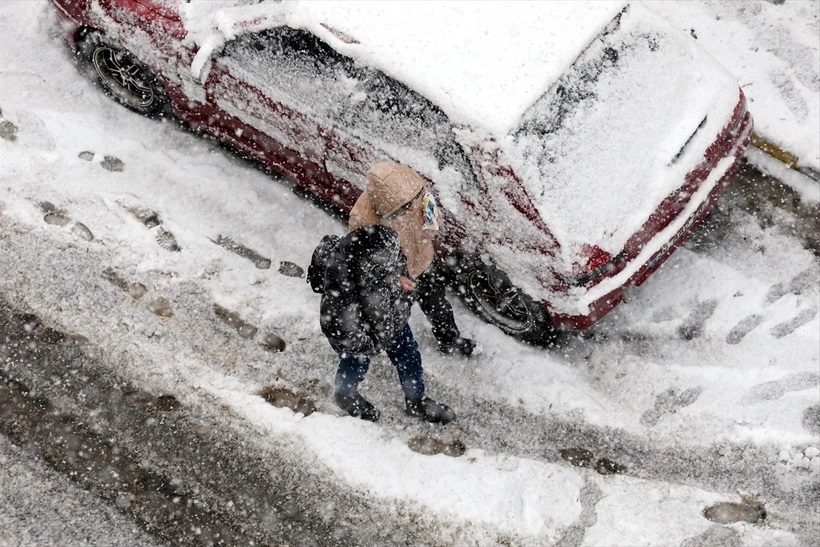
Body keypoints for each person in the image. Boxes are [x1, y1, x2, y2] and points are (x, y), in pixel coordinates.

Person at [318, 223, 455, 424]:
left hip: (392, 322)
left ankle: (416, 401)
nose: (395, 262)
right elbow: (345, 334)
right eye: (387, 264)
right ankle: (344, 395)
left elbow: (393, 270)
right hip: (363, 336)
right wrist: (376, 342)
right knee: (355, 363)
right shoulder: (342, 292)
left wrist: (399, 282)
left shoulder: (385, 253)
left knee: (409, 359)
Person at [348, 162, 480, 357]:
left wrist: (432, 220)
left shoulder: (410, 184)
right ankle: (378, 346)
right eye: (402, 208)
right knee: (392, 317)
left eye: (411, 202)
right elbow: (361, 259)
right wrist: (393, 277)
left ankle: (449, 341)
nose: (411, 209)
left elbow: (428, 200)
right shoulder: (362, 219)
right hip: (397, 275)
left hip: (422, 260)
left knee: (438, 305)